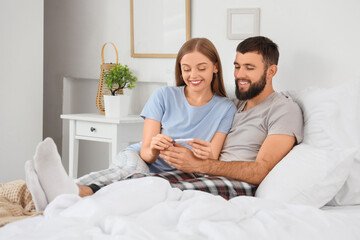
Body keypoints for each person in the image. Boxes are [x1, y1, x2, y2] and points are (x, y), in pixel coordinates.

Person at [25, 38, 237, 211]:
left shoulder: (226, 108)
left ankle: (63, 192)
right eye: (186, 69)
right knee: (129, 172)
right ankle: (69, 188)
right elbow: (145, 153)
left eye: (201, 68)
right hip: (141, 158)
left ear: (215, 68)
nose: (193, 76)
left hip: (177, 173)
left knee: (138, 185)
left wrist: (197, 155)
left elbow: (213, 156)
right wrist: (155, 146)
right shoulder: (163, 96)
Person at [159, 36, 304, 185]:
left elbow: (261, 170)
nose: (240, 74)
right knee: (142, 182)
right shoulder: (231, 106)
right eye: (237, 67)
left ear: (271, 71)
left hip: (235, 184)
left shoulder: (284, 110)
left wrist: (199, 165)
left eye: (249, 68)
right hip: (204, 176)